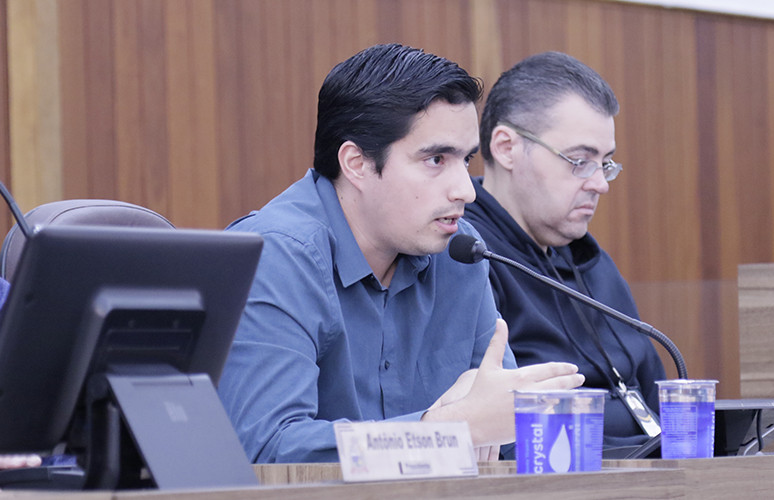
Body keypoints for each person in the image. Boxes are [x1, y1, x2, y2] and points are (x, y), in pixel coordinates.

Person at [217, 44, 585, 463]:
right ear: (356, 163)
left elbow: (506, 431)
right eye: (436, 159)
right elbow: (267, 451)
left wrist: (491, 421)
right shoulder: (277, 257)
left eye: (466, 160)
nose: (466, 190)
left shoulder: (458, 251)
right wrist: (447, 430)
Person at [464, 52, 666, 449]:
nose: (600, 184)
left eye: (605, 164)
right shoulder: (469, 257)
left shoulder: (592, 261)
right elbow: (505, 440)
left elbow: (657, 394)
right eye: (580, 161)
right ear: (506, 148)